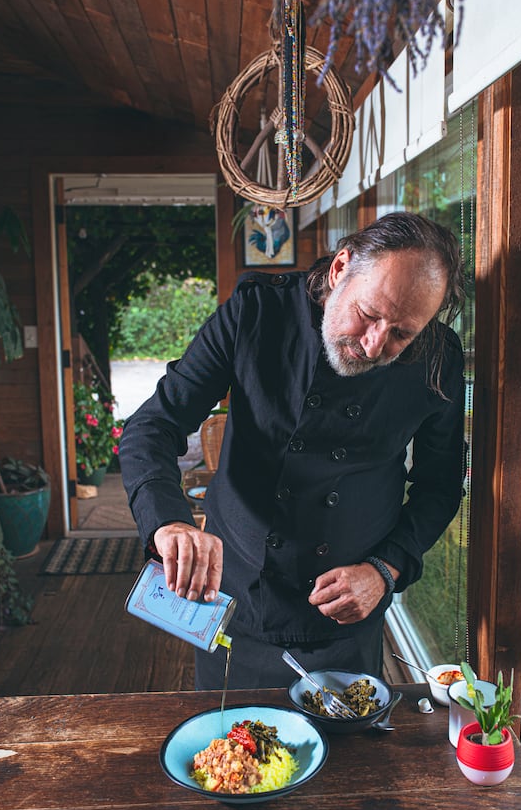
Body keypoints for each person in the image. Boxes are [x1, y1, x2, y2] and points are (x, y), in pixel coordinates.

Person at [120, 211, 466, 690]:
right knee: (226, 752)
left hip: (347, 614)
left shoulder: (440, 358)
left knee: (344, 758)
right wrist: (169, 520)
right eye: (367, 315)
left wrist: (385, 570)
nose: (373, 345)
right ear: (340, 267)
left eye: (401, 334)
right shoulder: (256, 311)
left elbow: (440, 483)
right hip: (232, 598)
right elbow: (153, 424)